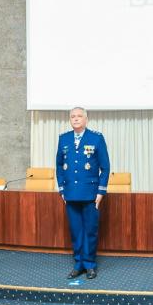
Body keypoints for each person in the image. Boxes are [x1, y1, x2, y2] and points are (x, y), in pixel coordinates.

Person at [56, 107, 110, 280]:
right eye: (73, 116)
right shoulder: (63, 139)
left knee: (90, 231)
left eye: (79, 116)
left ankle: (90, 265)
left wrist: (100, 192)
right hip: (71, 194)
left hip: (90, 194)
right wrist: (62, 190)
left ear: (86, 119)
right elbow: (59, 166)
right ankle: (78, 264)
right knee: (76, 230)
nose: (76, 119)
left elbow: (105, 167)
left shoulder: (96, 138)